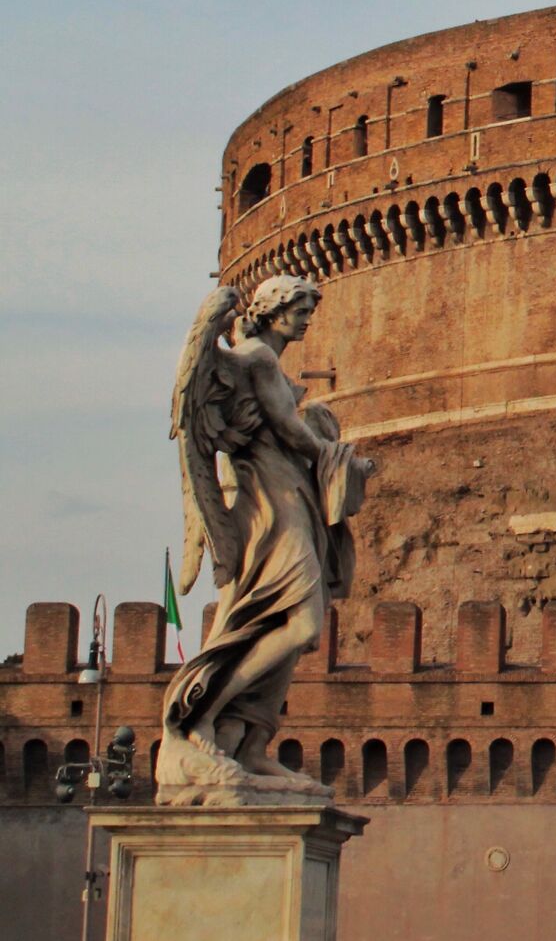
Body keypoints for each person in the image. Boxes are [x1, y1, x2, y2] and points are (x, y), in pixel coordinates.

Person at [159, 276, 374, 802]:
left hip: (292, 494)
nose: (305, 319)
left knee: (290, 622)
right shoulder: (255, 358)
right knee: (298, 622)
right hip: (272, 504)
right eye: (298, 309)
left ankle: (251, 744)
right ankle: (197, 720)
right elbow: (290, 432)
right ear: (272, 310)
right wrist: (348, 460)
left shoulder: (263, 362)